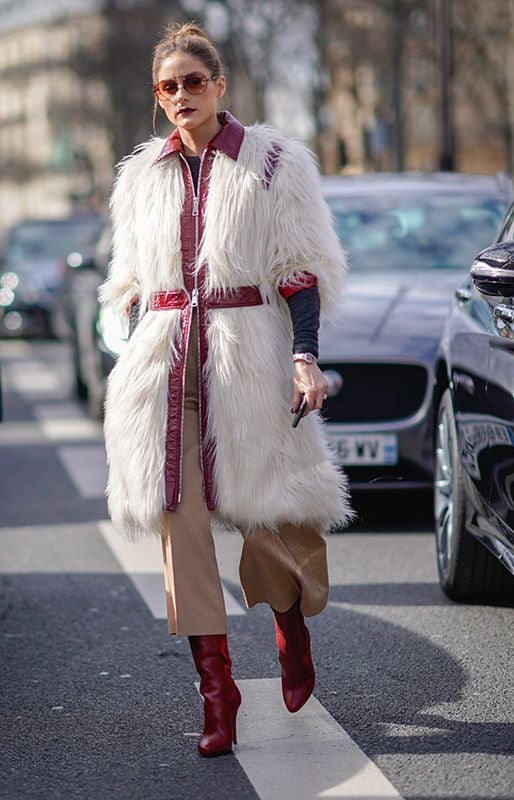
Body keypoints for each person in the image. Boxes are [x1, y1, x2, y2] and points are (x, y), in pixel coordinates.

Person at [98, 22, 351, 758]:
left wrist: (304, 357)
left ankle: (291, 628)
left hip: (250, 359)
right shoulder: (140, 176)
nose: (182, 96)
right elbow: (133, 280)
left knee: (272, 523)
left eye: (194, 82)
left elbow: (299, 269)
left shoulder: (275, 163)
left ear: (220, 86)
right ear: (158, 95)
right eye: (169, 86)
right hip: (164, 365)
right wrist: (128, 335)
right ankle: (218, 692)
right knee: (180, 523)